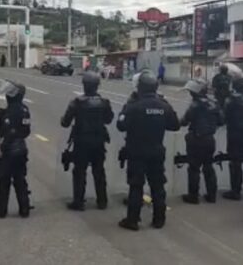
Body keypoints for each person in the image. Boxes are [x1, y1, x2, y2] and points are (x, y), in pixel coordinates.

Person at [117, 72, 180, 231]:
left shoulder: (134, 105)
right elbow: (175, 125)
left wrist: (128, 107)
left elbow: (121, 125)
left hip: (137, 151)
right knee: (158, 185)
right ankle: (159, 219)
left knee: (136, 186)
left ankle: (132, 220)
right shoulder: (163, 105)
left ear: (140, 88)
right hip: (156, 151)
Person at [60, 72, 114, 211]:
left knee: (79, 172)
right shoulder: (104, 102)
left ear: (84, 86)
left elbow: (65, 122)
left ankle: (78, 202)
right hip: (98, 141)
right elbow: (109, 119)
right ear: (97, 86)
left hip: (82, 142)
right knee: (99, 171)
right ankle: (102, 201)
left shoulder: (77, 102)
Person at [180, 79, 224, 204]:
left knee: (194, 168)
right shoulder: (214, 103)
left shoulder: (195, 105)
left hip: (196, 138)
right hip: (210, 139)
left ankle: (193, 196)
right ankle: (212, 195)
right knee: (208, 167)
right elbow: (221, 120)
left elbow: (184, 121)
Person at [0, 81, 32, 218]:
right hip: (22, 149)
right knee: (20, 179)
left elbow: (8, 133)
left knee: (4, 180)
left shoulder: (11, 111)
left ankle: (2, 210)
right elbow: (26, 131)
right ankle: (24, 209)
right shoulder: (25, 110)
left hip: (10, 150)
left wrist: (1, 148)